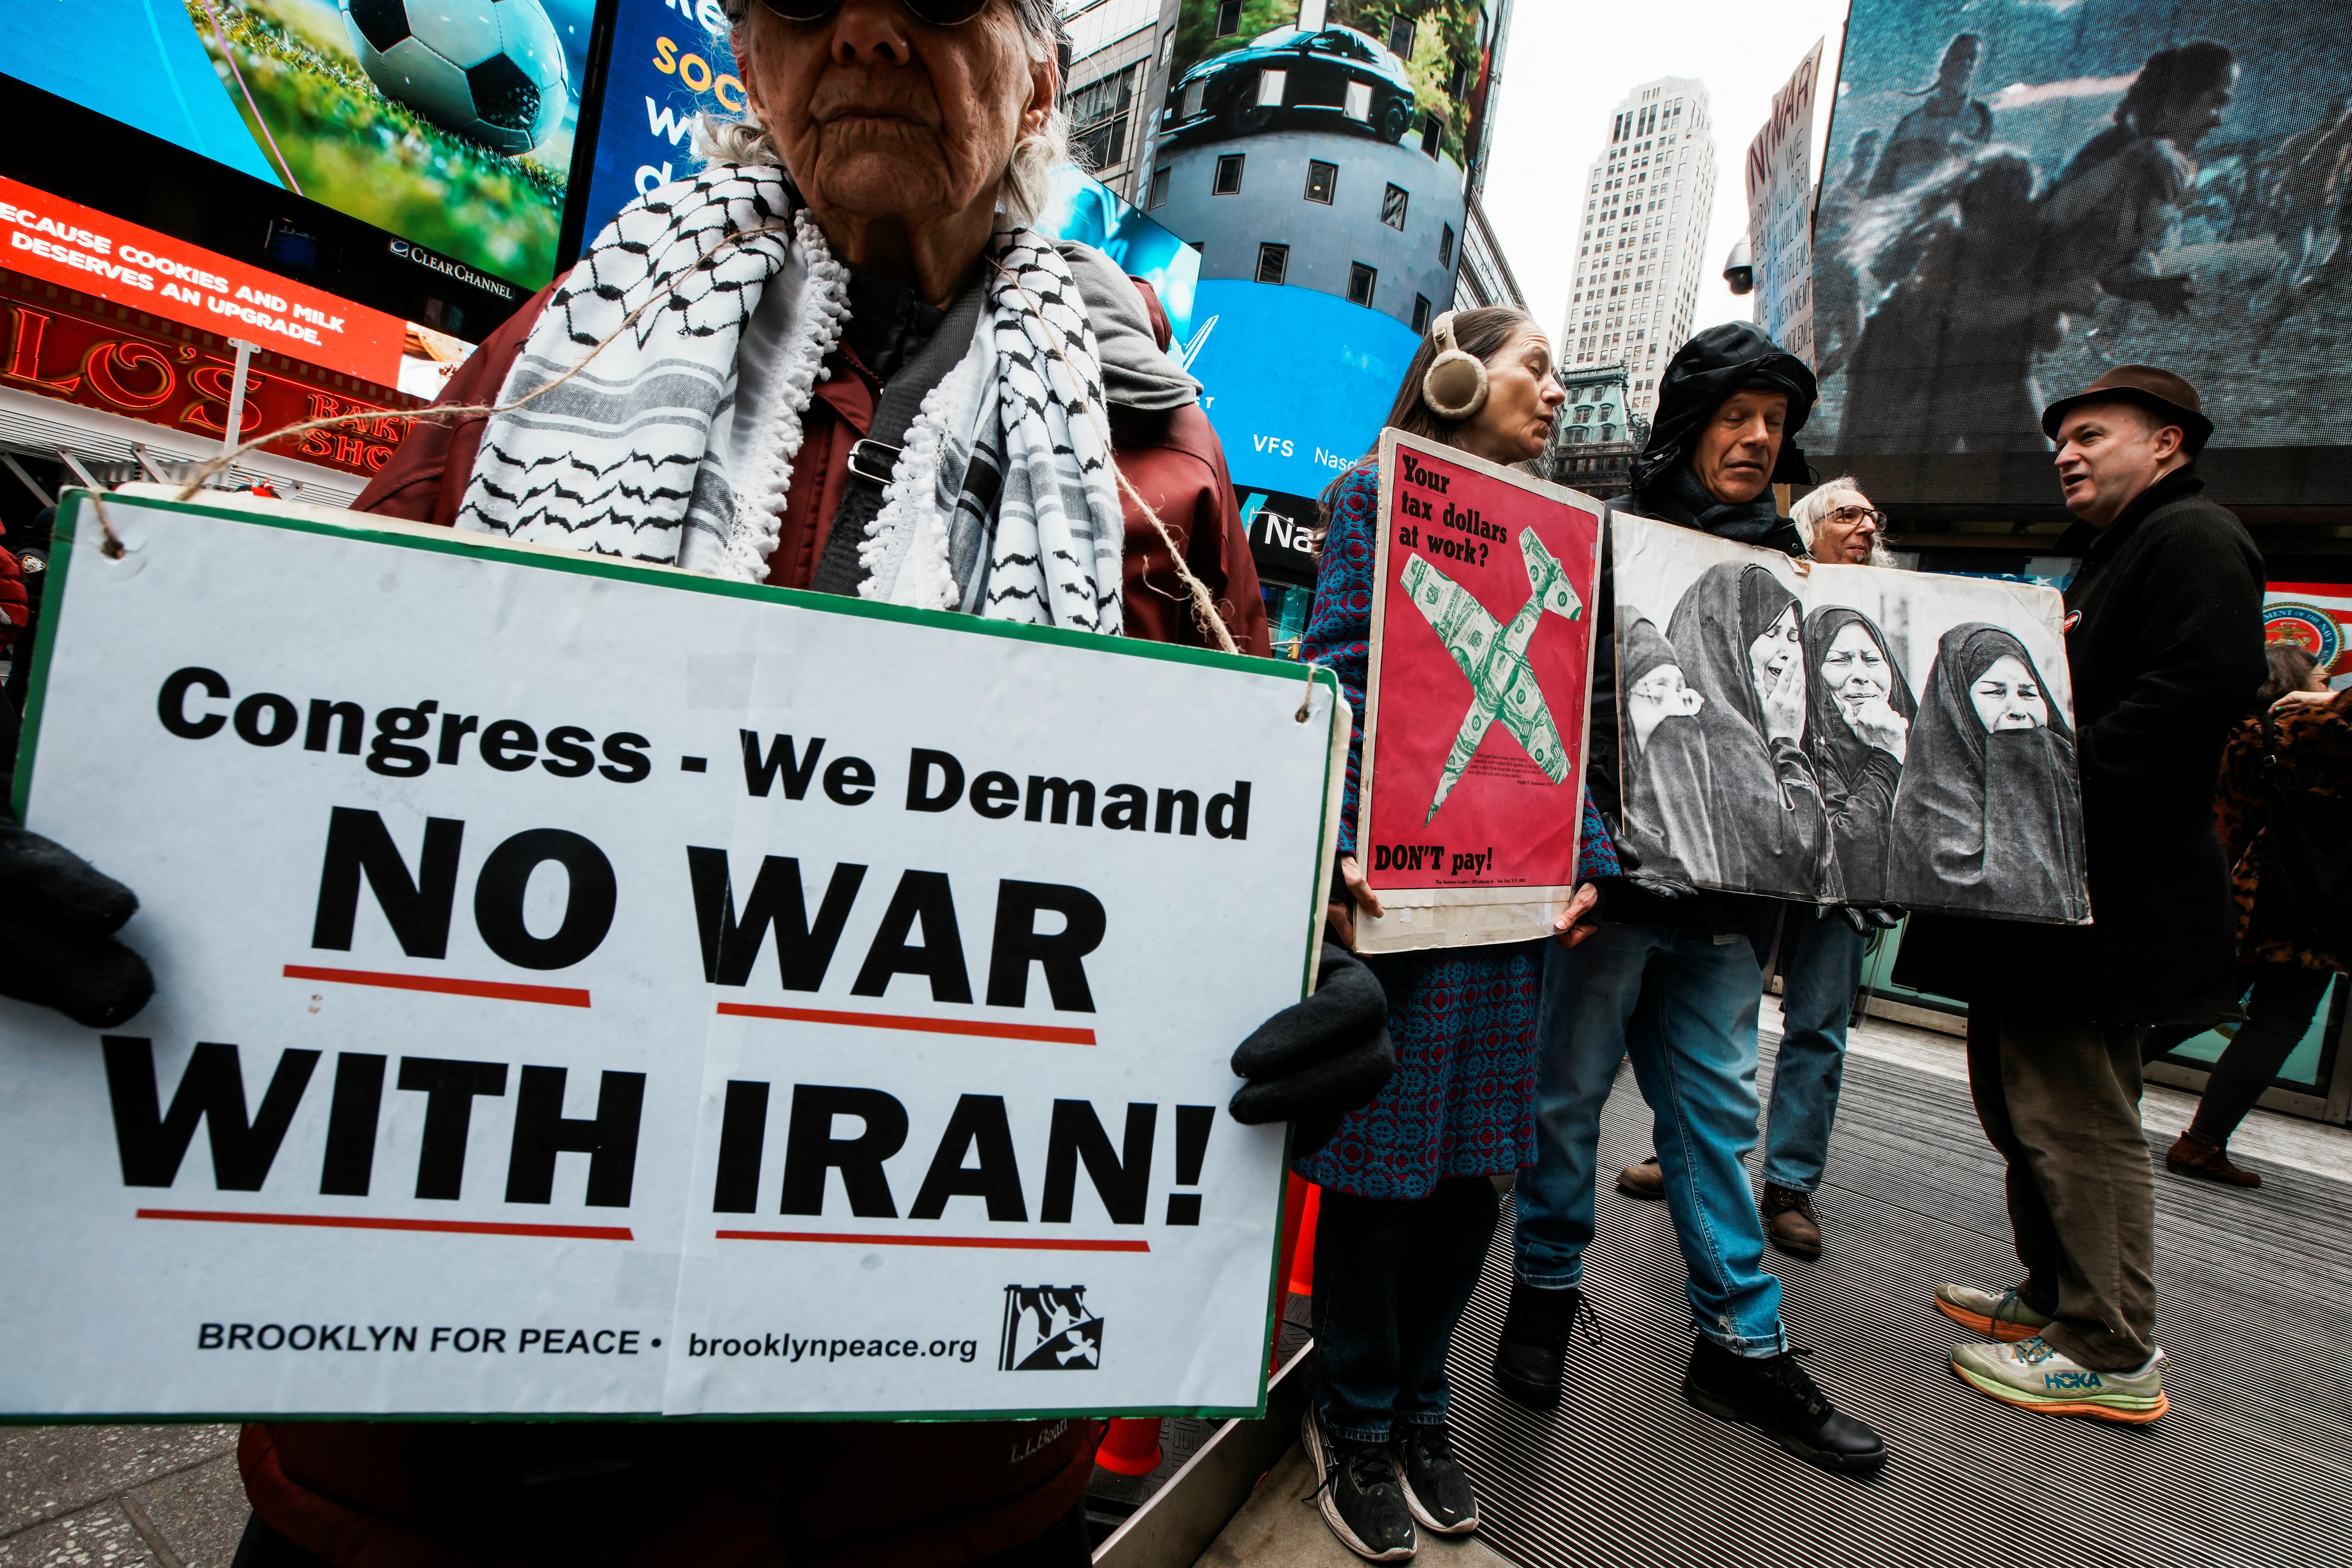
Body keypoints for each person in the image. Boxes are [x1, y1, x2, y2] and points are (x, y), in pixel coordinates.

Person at [0, 4, 1390, 1563]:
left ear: (1045, 71)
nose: (867, 32)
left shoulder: (1166, 468)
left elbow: (1236, 865)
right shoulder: (564, 347)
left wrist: (1301, 978)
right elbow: (301, 759)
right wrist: (103, 823)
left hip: (927, 1494)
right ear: (747, 58)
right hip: (442, 1481)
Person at [1495, 323, 1890, 1480]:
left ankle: (1741, 1341)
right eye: (1736, 416)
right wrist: (1589, 839)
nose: (1758, 439)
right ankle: (1543, 1294)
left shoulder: (1791, 575)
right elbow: (1561, 704)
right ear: (1688, 423)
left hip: (1724, 906)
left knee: (1717, 1120)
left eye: (1773, 423)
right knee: (1563, 1107)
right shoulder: (1609, 544)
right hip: (1612, 891)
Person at [1901, 364, 2263, 1424]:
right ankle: (2056, 1297)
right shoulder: (2125, 552)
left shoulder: (2194, 539)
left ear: (2169, 444)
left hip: (2108, 887)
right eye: (2061, 436)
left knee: (2078, 1116)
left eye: (2093, 434)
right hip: (2048, 886)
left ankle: (2110, 1346)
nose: (2066, 451)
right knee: (2021, 1102)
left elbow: (2200, 691)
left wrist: (2053, 770)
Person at [1302, 305, 1602, 1563]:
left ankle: (1424, 1403)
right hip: (1405, 906)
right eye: (1535, 367)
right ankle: (1352, 1419)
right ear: (1456, 370)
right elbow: (1338, 668)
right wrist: (1335, 844)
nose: (1554, 394)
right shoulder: (1371, 497)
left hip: (1511, 915)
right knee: (1383, 1174)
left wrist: (1585, 857)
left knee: (1473, 1175)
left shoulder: (1565, 545)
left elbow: (1566, 717)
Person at [1617, 482, 1910, 1261]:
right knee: (1722, 1005)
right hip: (1759, 831)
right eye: (1846, 513)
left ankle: (1789, 1182)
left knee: (1817, 1018)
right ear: (1806, 530)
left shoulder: (1876, 610)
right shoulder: (1759, 598)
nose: (1865, 525)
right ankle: (1693, 1146)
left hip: (1837, 846)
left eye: (1871, 517)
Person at [2145, 646, 2352, 1187]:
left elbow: (2223, 821)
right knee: (2280, 1021)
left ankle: (2093, 1081)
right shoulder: (2324, 724)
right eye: (2322, 677)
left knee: (2196, 1003)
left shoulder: (2246, 731)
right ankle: (2203, 1143)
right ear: (2300, 683)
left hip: (2243, 893)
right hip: (2318, 903)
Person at [1658, 559, 1837, 900]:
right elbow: (1799, 857)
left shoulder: (1748, 722)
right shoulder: (1723, 734)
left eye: (1794, 636)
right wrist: (1785, 742)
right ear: (1730, 635)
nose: (1788, 652)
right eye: (1770, 633)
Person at [1886, 623, 2087, 919]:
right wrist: (2018, 758)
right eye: (1995, 692)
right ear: (1960, 705)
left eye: (2029, 693)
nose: (2017, 709)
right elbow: (2011, 894)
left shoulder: (2063, 772)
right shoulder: (1930, 796)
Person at [2035, 42, 2236, 328]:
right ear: (2176, 104)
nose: (2219, 120)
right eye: (2215, 102)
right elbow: (2050, 224)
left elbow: (2118, 260)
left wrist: (2148, 287)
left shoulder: (2169, 165)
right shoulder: (2123, 154)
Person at [1866, 34, 1995, 198]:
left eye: (1971, 59)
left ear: (1974, 69)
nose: (1964, 66)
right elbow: (1880, 179)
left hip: (1942, 205)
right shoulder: (1912, 121)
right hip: (1893, 206)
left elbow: (1975, 167)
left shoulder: (1979, 116)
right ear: (1944, 65)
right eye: (1958, 59)